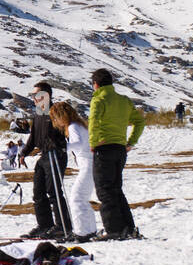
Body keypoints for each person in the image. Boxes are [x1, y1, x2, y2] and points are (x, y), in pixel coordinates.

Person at [88, 69, 145, 240]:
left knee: (104, 190)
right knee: (116, 189)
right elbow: (139, 121)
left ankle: (113, 230)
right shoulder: (124, 100)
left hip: (103, 148)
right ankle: (127, 227)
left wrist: (93, 143)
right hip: (120, 149)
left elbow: (94, 123)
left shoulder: (99, 99)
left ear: (95, 84)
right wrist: (130, 142)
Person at [18, 81, 70, 238]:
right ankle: (45, 225)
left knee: (53, 191)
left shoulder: (55, 111)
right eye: (33, 95)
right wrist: (23, 153)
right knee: (38, 192)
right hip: (43, 156)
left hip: (55, 154)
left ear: (46, 96)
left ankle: (62, 226)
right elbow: (33, 137)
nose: (33, 98)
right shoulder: (39, 113)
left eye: (36, 95)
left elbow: (67, 130)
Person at [50, 102, 98, 241]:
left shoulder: (73, 127)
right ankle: (89, 230)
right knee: (82, 198)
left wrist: (62, 146)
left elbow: (78, 144)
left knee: (76, 198)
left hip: (87, 165)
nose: (55, 121)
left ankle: (81, 232)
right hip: (89, 164)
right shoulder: (79, 125)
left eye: (55, 118)